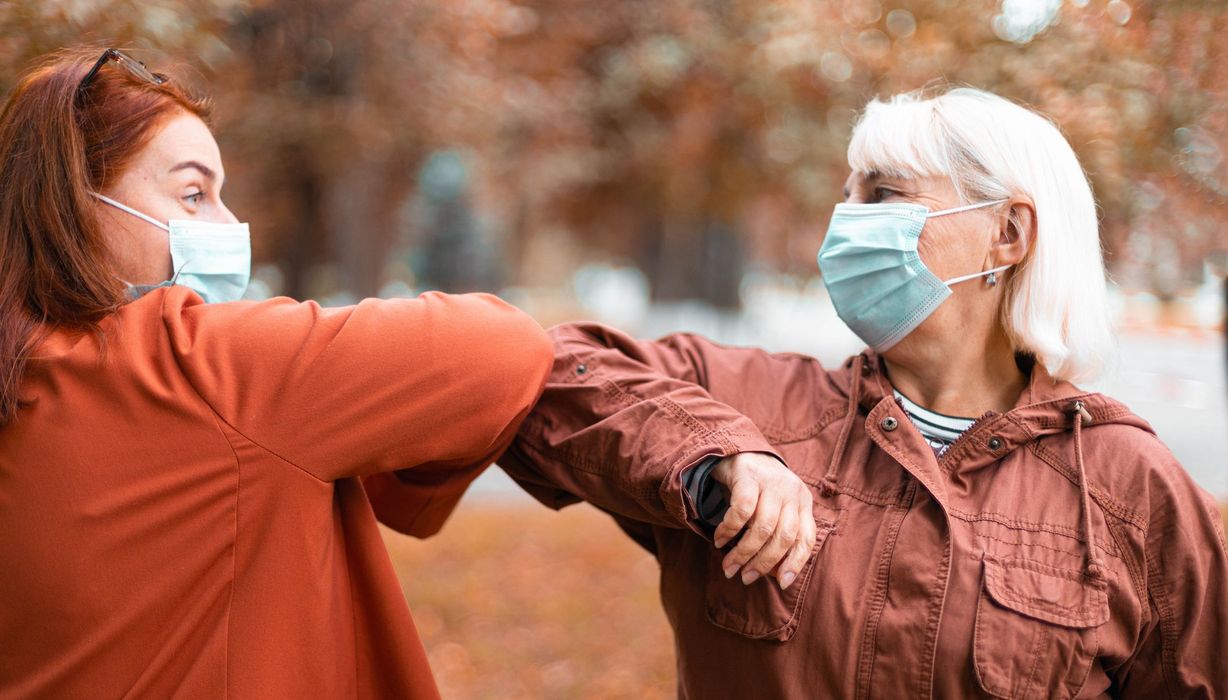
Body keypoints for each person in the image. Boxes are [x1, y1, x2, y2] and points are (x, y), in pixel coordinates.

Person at [500, 87, 1228, 698]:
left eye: (884, 194)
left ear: (1007, 233)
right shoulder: (749, 400)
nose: (846, 222)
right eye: (849, 195)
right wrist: (716, 452)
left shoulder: (1129, 488)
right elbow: (546, 368)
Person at [0, 47, 552, 697]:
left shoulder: (27, 375)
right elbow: (500, 347)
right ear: (73, 204)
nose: (231, 225)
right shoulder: (201, 367)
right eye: (193, 193)